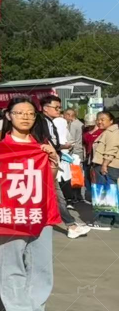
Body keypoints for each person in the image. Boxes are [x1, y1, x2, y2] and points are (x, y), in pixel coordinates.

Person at [0, 96, 61, 311]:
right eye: (19, 112)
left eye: (30, 113)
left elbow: (50, 179)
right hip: (11, 213)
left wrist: (53, 159)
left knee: (41, 264)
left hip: (41, 211)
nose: (25, 117)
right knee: (12, 262)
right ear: (9, 116)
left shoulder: (41, 145)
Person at [40, 96, 89, 239]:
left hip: (52, 162)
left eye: (59, 107)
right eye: (56, 107)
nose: (59, 110)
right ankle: (70, 225)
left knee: (55, 195)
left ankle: (70, 225)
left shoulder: (51, 122)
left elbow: (52, 142)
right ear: (45, 108)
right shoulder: (40, 122)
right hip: (45, 164)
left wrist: (59, 149)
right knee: (55, 195)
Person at [92, 111, 119, 196]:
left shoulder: (113, 132)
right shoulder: (106, 131)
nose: (99, 122)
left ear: (111, 121)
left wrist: (104, 165)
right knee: (105, 192)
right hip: (106, 166)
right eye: (98, 120)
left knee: (109, 193)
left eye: (102, 120)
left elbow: (111, 149)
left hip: (109, 167)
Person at [63, 109, 85, 204]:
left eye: (64, 115)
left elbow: (71, 140)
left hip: (74, 153)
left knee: (74, 174)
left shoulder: (73, 125)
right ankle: (79, 195)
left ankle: (75, 196)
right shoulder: (80, 124)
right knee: (79, 174)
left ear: (69, 115)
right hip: (79, 151)